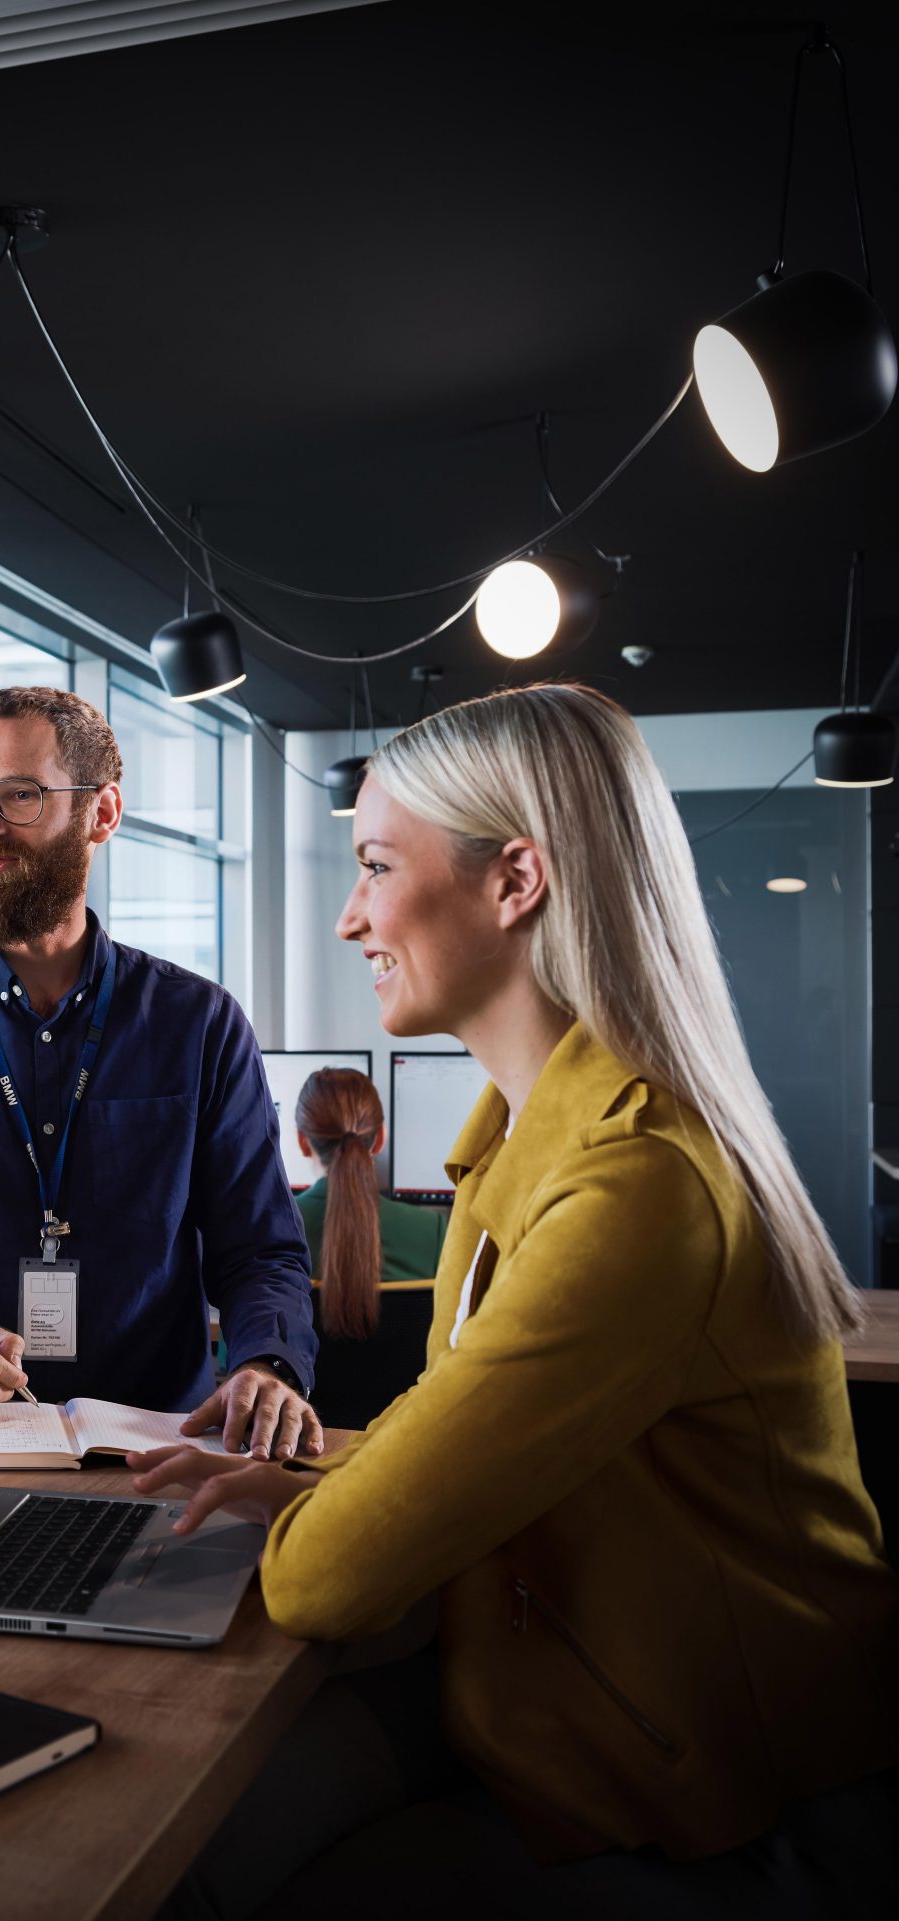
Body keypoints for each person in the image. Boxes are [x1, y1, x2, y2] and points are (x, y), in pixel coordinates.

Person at [133, 685, 898, 1915]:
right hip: (550, 1702)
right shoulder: (516, 1146)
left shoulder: (634, 1186)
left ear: (515, 881)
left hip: (730, 1802)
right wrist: (323, 1480)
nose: (348, 916)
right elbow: (458, 1430)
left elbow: (321, 1583)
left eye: (377, 865)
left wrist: (320, 1510)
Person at [0, 685, 317, 1459]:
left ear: (101, 813)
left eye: (18, 795)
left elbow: (260, 1251)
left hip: (160, 1458)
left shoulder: (199, 1025)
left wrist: (266, 1365)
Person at [292, 1065, 447, 1333]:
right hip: (411, 1377)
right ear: (379, 1140)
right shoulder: (433, 1231)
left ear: (303, 1142)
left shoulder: (269, 1228)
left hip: (299, 1377)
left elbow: (239, 1356)